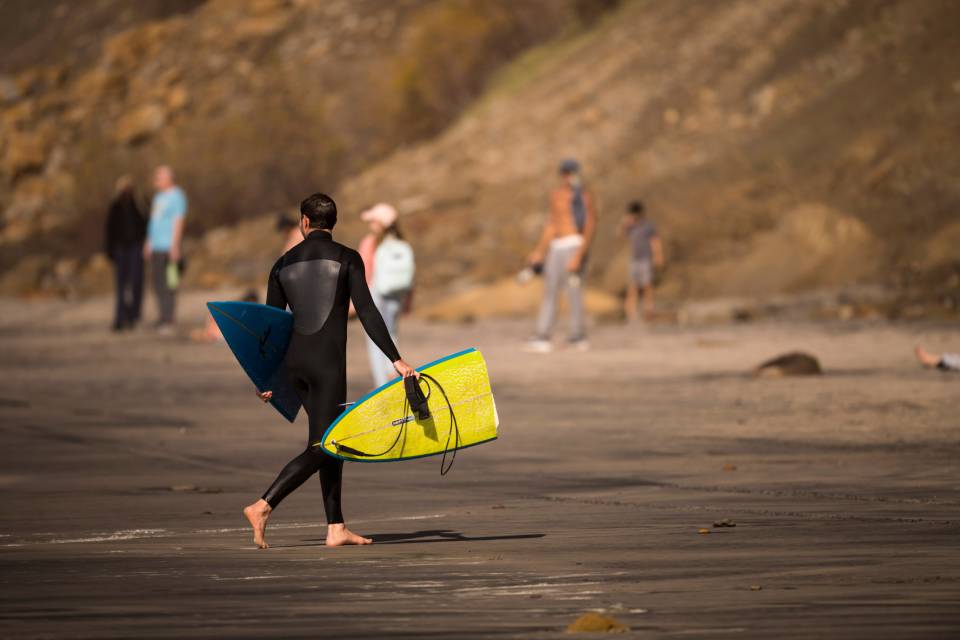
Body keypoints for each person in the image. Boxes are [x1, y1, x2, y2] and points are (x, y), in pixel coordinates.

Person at [243, 192, 418, 549]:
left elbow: (271, 328)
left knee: (324, 440)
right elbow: (368, 311)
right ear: (332, 223)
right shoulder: (348, 258)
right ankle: (264, 505)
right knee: (332, 442)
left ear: (304, 222)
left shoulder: (281, 264)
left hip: (293, 366)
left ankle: (336, 526)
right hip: (327, 366)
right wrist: (395, 359)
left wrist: (266, 377)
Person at [525, 158, 598, 352]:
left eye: (571, 172)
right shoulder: (556, 195)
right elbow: (551, 224)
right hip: (556, 247)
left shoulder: (583, 196)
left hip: (575, 245)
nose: (568, 176)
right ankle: (543, 335)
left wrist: (579, 255)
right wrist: (539, 251)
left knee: (574, 292)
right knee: (550, 291)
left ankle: (578, 335)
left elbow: (590, 224)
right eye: (565, 173)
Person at [359, 203, 415, 387]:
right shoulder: (402, 243)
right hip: (397, 295)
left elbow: (363, 274)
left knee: (375, 337)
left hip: (378, 294)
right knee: (391, 333)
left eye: (373, 221)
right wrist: (408, 300)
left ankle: (381, 381)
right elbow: (411, 276)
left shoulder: (372, 243)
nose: (370, 225)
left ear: (380, 223)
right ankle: (393, 371)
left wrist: (355, 304)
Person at [144, 165, 187, 333]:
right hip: (156, 247)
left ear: (168, 178)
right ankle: (162, 317)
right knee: (157, 284)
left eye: (158, 176)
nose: (155, 179)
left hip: (169, 247)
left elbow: (178, 221)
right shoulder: (158, 197)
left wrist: (175, 245)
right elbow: (154, 222)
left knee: (170, 283)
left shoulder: (177, 196)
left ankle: (169, 320)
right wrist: (148, 242)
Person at [104, 175, 147, 331]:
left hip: (135, 248)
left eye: (129, 187)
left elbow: (145, 225)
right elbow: (109, 231)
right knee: (121, 286)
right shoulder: (115, 207)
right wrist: (110, 251)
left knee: (136, 282)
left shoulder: (139, 205)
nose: (126, 191)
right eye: (124, 188)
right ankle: (120, 318)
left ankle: (133, 315)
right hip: (120, 249)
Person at [619, 200, 664, 322]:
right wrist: (625, 224)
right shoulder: (630, 227)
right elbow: (621, 237)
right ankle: (630, 312)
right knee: (633, 286)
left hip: (646, 259)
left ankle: (649, 310)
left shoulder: (648, 225)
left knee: (647, 285)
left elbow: (655, 241)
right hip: (634, 259)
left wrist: (658, 256)